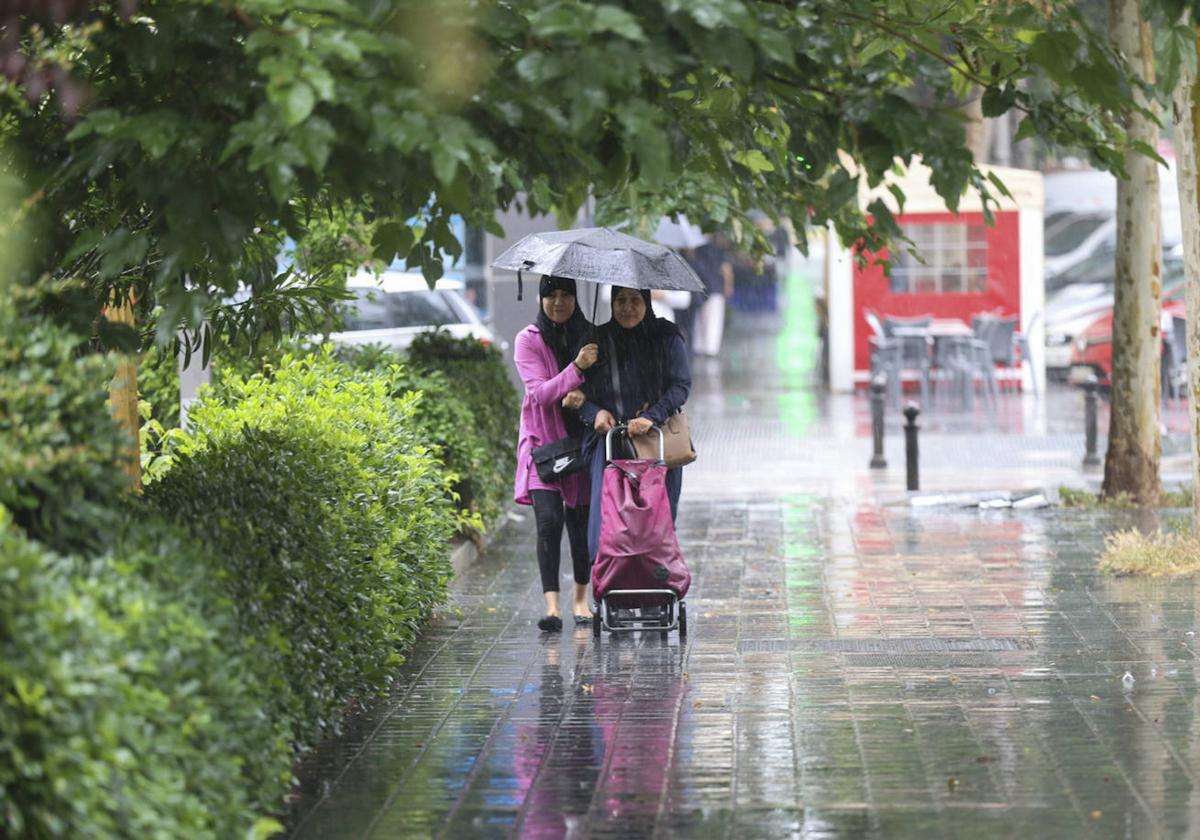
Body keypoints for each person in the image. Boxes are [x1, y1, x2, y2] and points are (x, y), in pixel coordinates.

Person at [577, 286, 692, 561]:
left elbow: (681, 386)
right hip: (610, 442)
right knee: (610, 518)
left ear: (647, 301)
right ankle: (610, 581)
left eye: (635, 300)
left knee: (658, 517)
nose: (627, 307)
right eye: (620, 300)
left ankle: (657, 582)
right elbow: (580, 395)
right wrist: (594, 413)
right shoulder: (597, 341)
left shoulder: (666, 336)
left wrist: (650, 417)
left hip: (656, 440)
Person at [513, 275, 599, 632]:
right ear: (541, 298)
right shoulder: (527, 340)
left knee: (580, 525)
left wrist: (586, 393)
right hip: (543, 444)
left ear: (576, 299)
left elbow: (605, 385)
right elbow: (540, 394)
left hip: (580, 445)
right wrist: (576, 369)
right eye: (551, 296)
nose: (558, 303)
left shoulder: (592, 337)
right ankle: (552, 608)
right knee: (549, 522)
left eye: (566, 295)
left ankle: (581, 598)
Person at [686, 238, 734, 356]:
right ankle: (710, 348)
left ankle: (699, 346)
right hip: (715, 288)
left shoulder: (697, 250)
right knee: (714, 319)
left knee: (700, 318)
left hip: (701, 289)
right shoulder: (718, 250)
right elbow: (726, 269)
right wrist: (728, 286)